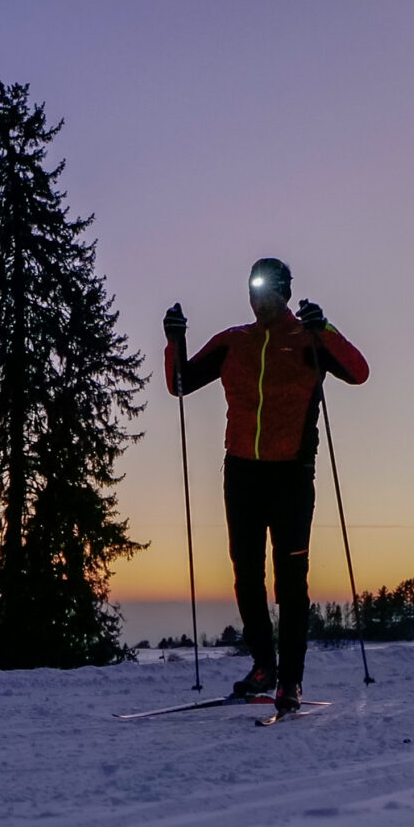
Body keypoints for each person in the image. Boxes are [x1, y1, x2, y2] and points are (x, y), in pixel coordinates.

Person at [163, 258, 369, 714]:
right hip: (242, 472)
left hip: (292, 474)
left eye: (269, 289)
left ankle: (290, 681)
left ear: (287, 292)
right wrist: (174, 339)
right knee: (246, 573)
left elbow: (358, 372)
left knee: (291, 580)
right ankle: (264, 667)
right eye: (254, 289)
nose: (260, 298)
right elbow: (181, 382)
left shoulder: (307, 337)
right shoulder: (234, 341)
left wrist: (326, 329)